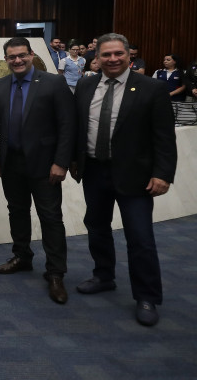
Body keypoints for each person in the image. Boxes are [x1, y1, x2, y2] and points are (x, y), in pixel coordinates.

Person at [71, 33, 177, 326]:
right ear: (98, 57)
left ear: (129, 54)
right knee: (97, 226)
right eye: (106, 55)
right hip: (93, 171)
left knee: (140, 238)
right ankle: (104, 276)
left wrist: (163, 174)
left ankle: (147, 296)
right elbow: (79, 127)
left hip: (136, 177)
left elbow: (164, 138)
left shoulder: (151, 88)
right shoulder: (85, 84)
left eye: (119, 54)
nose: (113, 59)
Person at [0, 37, 75, 304]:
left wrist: (61, 162)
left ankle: (55, 272)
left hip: (45, 165)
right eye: (11, 57)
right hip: (11, 162)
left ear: (31, 55)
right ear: (6, 60)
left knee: (50, 217)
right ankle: (22, 257)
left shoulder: (53, 83)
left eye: (21, 55)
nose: (17, 60)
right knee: (17, 211)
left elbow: (67, 125)